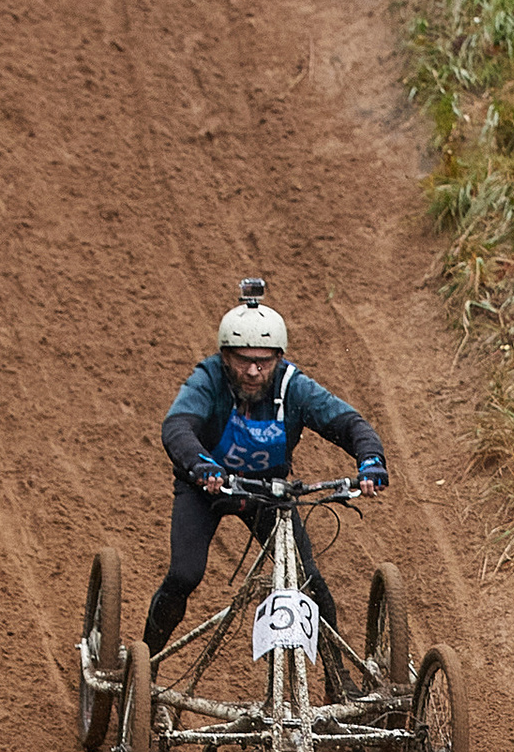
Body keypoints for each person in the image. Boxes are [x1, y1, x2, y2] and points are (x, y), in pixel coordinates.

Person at [142, 281, 388, 661]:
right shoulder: (208, 379)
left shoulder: (293, 386)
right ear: (226, 356)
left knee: (311, 585)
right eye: (243, 360)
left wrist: (370, 458)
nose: (254, 371)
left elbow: (348, 422)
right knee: (184, 576)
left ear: (279, 357)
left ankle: (339, 685)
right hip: (206, 489)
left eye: (265, 361)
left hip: (267, 493)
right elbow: (177, 427)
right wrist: (200, 464)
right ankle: (147, 666)